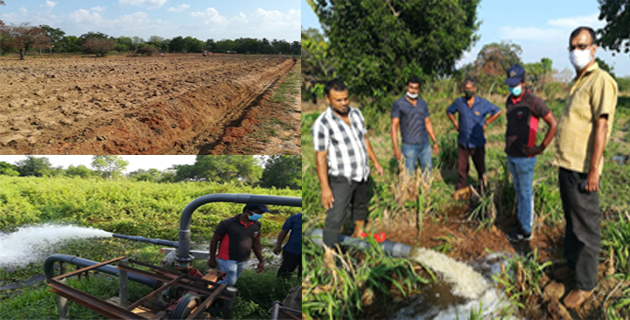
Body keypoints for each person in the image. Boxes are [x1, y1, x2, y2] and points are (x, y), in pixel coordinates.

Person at [552, 26, 618, 309]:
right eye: (572, 47)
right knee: (572, 222)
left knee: (586, 229)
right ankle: (572, 265)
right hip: (567, 164)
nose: (575, 52)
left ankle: (585, 284)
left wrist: (594, 170)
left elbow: (601, 126)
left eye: (581, 46)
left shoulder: (600, 80)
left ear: (594, 48)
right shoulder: (578, 80)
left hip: (582, 168)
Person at [311, 79, 383, 248]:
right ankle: (330, 259)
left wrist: (376, 162)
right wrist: (325, 188)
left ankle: (359, 234)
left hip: (361, 172)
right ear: (328, 99)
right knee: (335, 218)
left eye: (346, 98)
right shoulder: (322, 124)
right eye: (338, 100)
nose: (343, 103)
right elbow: (320, 158)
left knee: (360, 205)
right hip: (342, 178)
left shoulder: (356, 114)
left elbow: (364, 139)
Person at [503, 64, 558, 242]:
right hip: (511, 155)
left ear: (524, 82)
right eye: (510, 84)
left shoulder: (534, 101)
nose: (513, 88)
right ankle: (521, 222)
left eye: (516, 84)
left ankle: (526, 231)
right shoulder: (509, 100)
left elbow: (553, 124)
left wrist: (540, 148)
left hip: (525, 158)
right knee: (519, 190)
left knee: (526, 192)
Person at [207, 204, 268, 318]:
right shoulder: (227, 223)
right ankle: (207, 292)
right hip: (226, 258)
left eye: (261, 214)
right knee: (231, 281)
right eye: (258, 213)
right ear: (248, 211)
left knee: (229, 281)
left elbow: (256, 244)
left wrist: (261, 261)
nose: (259, 216)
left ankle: (215, 293)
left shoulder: (256, 225)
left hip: (242, 259)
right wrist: (212, 258)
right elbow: (214, 241)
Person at [446, 78, 502, 192]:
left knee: (480, 167)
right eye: (466, 89)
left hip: (477, 142)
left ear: (475, 89)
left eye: (470, 89)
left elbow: (498, 111)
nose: (468, 91)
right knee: (462, 168)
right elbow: (449, 111)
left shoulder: (483, 103)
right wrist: (455, 123)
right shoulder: (459, 102)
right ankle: (461, 190)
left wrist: (486, 123)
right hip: (463, 141)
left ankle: (484, 189)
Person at [391, 76, 439, 175]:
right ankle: (406, 191)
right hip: (409, 145)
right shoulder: (399, 104)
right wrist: (395, 148)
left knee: (427, 170)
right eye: (411, 87)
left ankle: (426, 190)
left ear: (419, 89)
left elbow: (428, 122)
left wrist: (435, 141)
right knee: (407, 174)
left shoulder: (422, 103)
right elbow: (394, 127)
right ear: (406, 87)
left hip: (424, 144)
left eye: (416, 88)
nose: (413, 91)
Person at [274, 213, 302, 278]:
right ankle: (280, 287)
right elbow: (283, 232)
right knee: (284, 272)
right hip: (292, 249)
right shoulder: (294, 218)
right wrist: (278, 245)